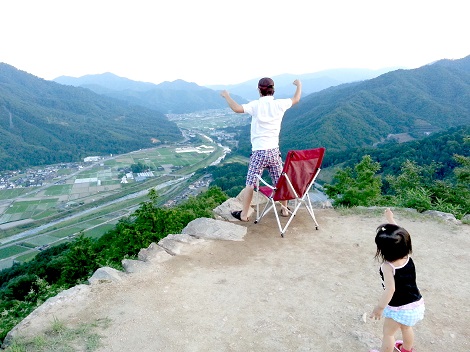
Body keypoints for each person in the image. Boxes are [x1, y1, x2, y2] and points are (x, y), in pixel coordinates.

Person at [220, 77, 302, 222]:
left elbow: (237, 109)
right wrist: (298, 85)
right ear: (273, 89)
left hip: (259, 152)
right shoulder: (279, 104)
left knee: (250, 183)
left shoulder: (256, 105)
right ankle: (284, 209)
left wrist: (226, 96)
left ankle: (244, 214)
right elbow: (296, 99)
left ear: (259, 90)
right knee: (279, 180)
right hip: (274, 151)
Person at [369, 208, 425, 352]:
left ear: (383, 250)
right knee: (406, 328)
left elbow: (390, 289)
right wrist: (391, 220)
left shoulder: (388, 267)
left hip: (399, 308)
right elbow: (402, 236)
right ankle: (406, 349)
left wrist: (379, 308)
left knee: (388, 333)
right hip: (415, 304)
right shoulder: (407, 256)